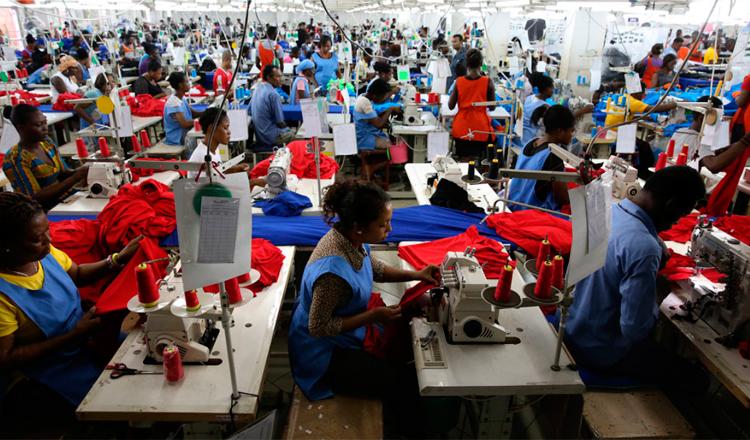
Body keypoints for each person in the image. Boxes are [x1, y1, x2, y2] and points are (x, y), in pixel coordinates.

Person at [288, 180, 437, 432]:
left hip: (344, 330)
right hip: (322, 354)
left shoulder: (350, 238)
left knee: (403, 365)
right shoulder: (332, 274)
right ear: (358, 227)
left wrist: (418, 275)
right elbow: (319, 327)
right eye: (382, 224)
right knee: (402, 383)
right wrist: (373, 316)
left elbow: (374, 268)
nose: (389, 229)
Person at [0, 192, 143, 431]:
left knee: (143, 360)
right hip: (51, 370)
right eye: (38, 238)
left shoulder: (41, 255)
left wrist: (117, 260)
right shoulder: (4, 295)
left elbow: (76, 274)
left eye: (47, 230)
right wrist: (74, 334)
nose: (49, 239)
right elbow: (6, 359)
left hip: (87, 339)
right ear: (6, 245)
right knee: (111, 407)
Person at [563, 166, 707, 390]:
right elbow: (635, 330)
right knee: (696, 379)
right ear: (670, 205)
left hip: (571, 328)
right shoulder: (643, 246)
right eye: (680, 216)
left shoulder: (606, 211)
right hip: (599, 350)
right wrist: (657, 293)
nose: (676, 223)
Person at [3, 105, 88, 210]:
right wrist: (75, 177)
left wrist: (87, 169)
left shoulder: (46, 143)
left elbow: (63, 174)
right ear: (21, 128)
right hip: (44, 211)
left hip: (66, 200)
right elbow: (33, 198)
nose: (45, 128)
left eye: (45, 122)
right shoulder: (16, 158)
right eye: (39, 125)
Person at [604, 81, 676, 177]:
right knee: (645, 147)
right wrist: (675, 104)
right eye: (642, 93)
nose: (644, 96)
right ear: (636, 92)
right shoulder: (633, 102)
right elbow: (654, 109)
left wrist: (641, 117)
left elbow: (626, 116)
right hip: (617, 136)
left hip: (610, 132)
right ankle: (645, 174)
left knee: (642, 144)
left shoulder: (623, 97)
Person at [508, 105, 572, 212]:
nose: (571, 135)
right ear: (560, 132)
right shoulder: (554, 156)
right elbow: (562, 199)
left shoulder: (530, 143)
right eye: (571, 131)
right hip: (533, 215)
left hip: (514, 205)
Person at [448, 48, 495, 161]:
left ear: (466, 64)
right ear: (481, 63)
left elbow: (450, 106)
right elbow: (492, 106)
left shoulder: (459, 82)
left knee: (464, 161)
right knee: (481, 160)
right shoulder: (488, 82)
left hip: (462, 128)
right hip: (480, 128)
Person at [187, 108, 250, 179]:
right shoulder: (203, 157)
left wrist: (234, 169)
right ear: (211, 128)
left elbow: (217, 171)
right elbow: (212, 187)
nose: (229, 132)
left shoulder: (213, 149)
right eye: (225, 128)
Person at [251, 65, 296, 147]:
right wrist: (289, 128)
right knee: (296, 135)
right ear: (269, 78)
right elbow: (280, 122)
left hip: (260, 136)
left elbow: (249, 111)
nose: (281, 79)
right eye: (278, 76)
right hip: (270, 137)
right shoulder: (273, 94)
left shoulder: (257, 89)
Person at [354, 78, 402, 151]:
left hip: (365, 133)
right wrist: (390, 109)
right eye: (383, 97)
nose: (384, 99)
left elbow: (373, 116)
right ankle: (368, 160)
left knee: (389, 138)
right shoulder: (364, 103)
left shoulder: (363, 97)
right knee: (390, 146)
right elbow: (378, 124)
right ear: (376, 95)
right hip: (363, 138)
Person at [164, 72, 203, 147]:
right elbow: (185, 124)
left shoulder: (182, 98)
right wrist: (201, 119)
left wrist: (208, 112)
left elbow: (194, 113)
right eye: (187, 82)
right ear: (180, 85)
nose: (189, 84)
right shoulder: (174, 102)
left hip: (185, 133)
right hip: (177, 137)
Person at [522, 73, 553, 146]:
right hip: (532, 140)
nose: (552, 90)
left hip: (523, 135)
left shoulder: (529, 98)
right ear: (546, 89)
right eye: (551, 87)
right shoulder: (545, 107)